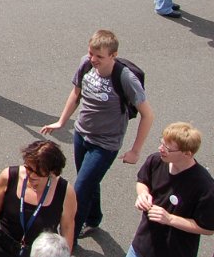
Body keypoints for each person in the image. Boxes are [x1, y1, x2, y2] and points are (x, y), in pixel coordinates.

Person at [40, 29, 156, 236]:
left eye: (99, 57)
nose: (93, 59)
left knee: (80, 188)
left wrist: (135, 151)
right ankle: (93, 219)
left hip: (105, 144)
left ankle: (68, 238)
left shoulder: (126, 78)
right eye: (91, 53)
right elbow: (76, 93)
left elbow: (148, 115)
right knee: (89, 181)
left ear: (113, 56)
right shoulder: (86, 63)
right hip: (81, 134)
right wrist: (61, 121)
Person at [120, 122, 214, 257]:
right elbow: (142, 181)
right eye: (162, 142)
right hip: (141, 247)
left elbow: (208, 228)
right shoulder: (156, 161)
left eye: (168, 148)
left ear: (187, 153)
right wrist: (142, 194)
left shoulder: (204, 186)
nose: (161, 149)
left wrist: (170, 219)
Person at [0, 141, 78, 257]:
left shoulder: (65, 192)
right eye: (28, 168)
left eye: (39, 172)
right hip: (1, 249)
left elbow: (67, 228)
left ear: (52, 172)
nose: (31, 175)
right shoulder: (9, 176)